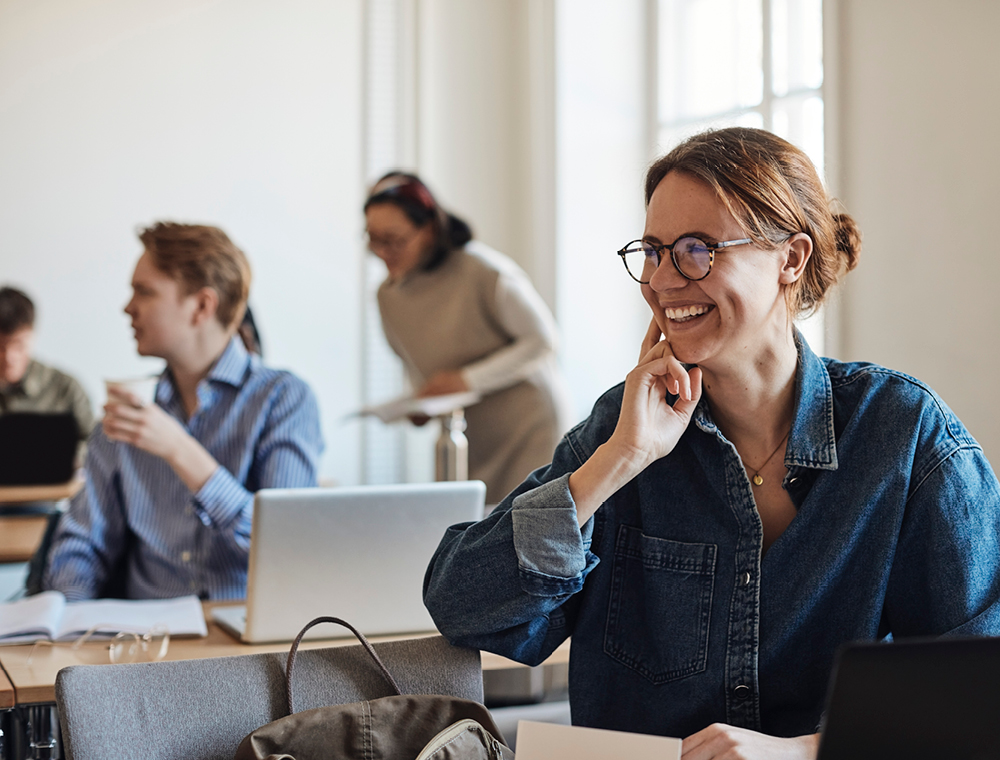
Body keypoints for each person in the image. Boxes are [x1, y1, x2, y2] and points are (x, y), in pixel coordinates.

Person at [423, 128, 1000, 758]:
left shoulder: (902, 433)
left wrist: (803, 752)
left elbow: (979, 687)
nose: (662, 279)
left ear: (791, 258)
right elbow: (463, 607)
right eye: (652, 250)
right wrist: (617, 462)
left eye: (697, 249)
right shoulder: (623, 427)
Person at [43, 222, 323, 600]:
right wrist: (71, 622)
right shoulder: (129, 409)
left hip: (248, 641)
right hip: (144, 641)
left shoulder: (284, 399)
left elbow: (290, 548)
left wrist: (180, 450)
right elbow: (81, 545)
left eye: (144, 291)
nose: (128, 307)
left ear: (202, 306)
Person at [365, 172, 573, 504]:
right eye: (374, 239)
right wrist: (421, 402)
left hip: (528, 430)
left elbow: (543, 341)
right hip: (465, 437)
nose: (382, 251)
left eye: (394, 240)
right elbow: (421, 367)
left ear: (429, 229)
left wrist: (466, 380)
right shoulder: (387, 298)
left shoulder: (484, 271)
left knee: (528, 534)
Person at [0, 286, 95, 458]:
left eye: (19, 345)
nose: (9, 357)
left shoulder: (65, 388)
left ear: (32, 335)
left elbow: (94, 446)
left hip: (56, 484)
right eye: (0, 347)